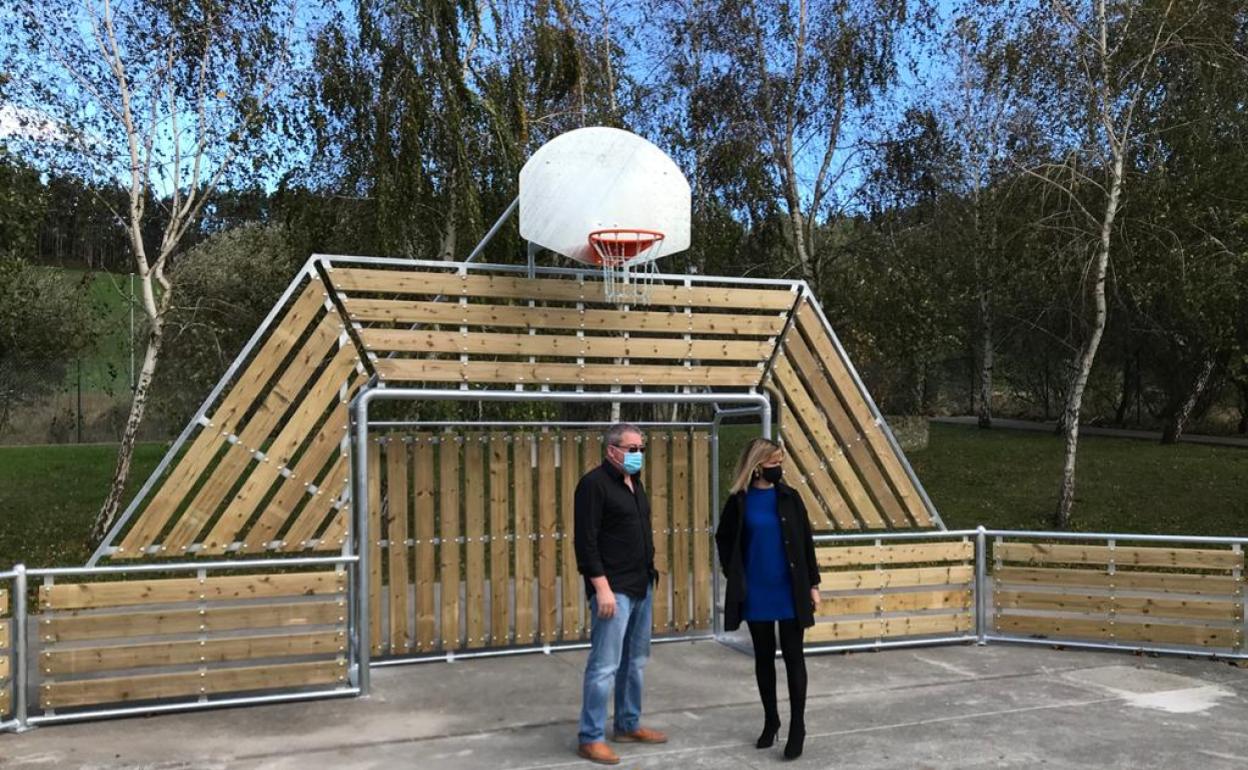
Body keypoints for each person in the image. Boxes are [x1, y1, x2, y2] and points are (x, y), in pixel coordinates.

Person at [715, 438, 821, 760]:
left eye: (781, 462)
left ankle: (797, 727)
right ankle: (771, 719)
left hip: (789, 588)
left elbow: (805, 542)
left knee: (793, 656)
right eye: (774, 462)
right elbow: (724, 538)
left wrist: (813, 584)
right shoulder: (739, 501)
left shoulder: (790, 497)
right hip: (757, 590)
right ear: (758, 465)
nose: (780, 468)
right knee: (763, 657)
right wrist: (734, 574)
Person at [573, 423, 667, 765]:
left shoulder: (634, 484)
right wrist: (602, 589)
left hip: (641, 585)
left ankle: (627, 724)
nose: (638, 454)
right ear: (612, 450)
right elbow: (586, 542)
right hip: (613, 591)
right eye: (632, 449)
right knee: (605, 666)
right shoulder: (593, 486)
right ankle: (590, 736)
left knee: (635, 663)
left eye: (641, 448)